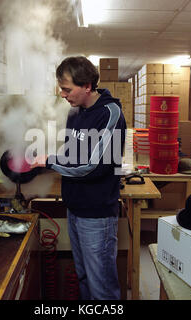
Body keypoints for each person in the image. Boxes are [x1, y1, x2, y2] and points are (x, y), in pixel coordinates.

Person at [31, 56, 126, 300]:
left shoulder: (109, 114)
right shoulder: (75, 112)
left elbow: (92, 166)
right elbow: (72, 153)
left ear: (86, 86)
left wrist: (50, 160)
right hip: (75, 208)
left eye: (66, 89)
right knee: (84, 278)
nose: (62, 94)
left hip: (97, 216)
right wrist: (45, 160)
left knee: (101, 288)